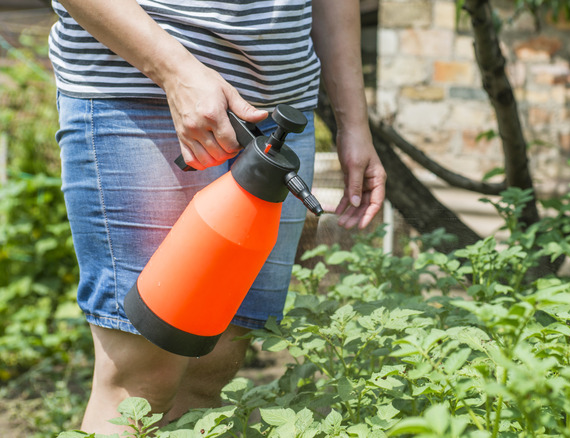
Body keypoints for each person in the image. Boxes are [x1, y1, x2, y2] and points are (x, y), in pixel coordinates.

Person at [48, 0, 386, 433]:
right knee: (139, 380)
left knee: (216, 363)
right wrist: (176, 73)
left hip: (278, 115)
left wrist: (353, 121)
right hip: (142, 93)